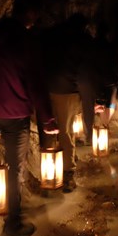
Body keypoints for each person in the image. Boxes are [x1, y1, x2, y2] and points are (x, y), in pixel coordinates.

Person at [0, 0, 58, 236]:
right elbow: (36, 83)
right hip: (14, 112)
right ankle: (12, 225)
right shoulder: (25, 40)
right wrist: (47, 120)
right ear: (30, 15)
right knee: (14, 169)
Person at [42, 13, 96, 193]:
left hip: (45, 86)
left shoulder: (51, 35)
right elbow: (86, 69)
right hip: (66, 89)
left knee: (48, 129)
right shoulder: (81, 40)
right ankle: (67, 172)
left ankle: (49, 170)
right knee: (66, 132)